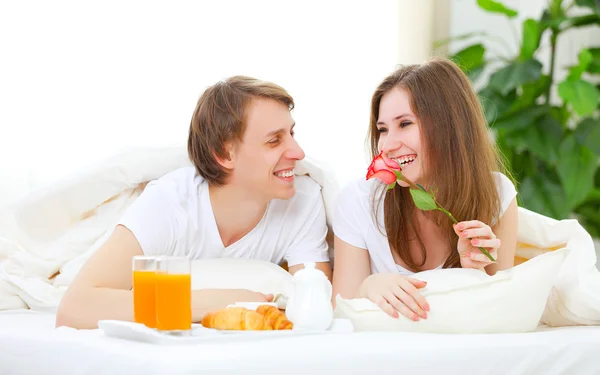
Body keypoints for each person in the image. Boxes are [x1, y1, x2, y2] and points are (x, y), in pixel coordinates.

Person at [56, 76, 332, 329]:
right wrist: (221, 301)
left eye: (292, 134)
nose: (298, 152)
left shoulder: (303, 199)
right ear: (224, 154)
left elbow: (317, 304)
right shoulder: (170, 204)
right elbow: (75, 308)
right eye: (274, 141)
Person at [331, 58, 518, 321]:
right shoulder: (358, 201)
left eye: (405, 124)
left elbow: (503, 314)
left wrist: (474, 269)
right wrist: (368, 287)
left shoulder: (497, 193)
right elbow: (339, 312)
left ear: (449, 126)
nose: (386, 146)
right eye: (383, 130)